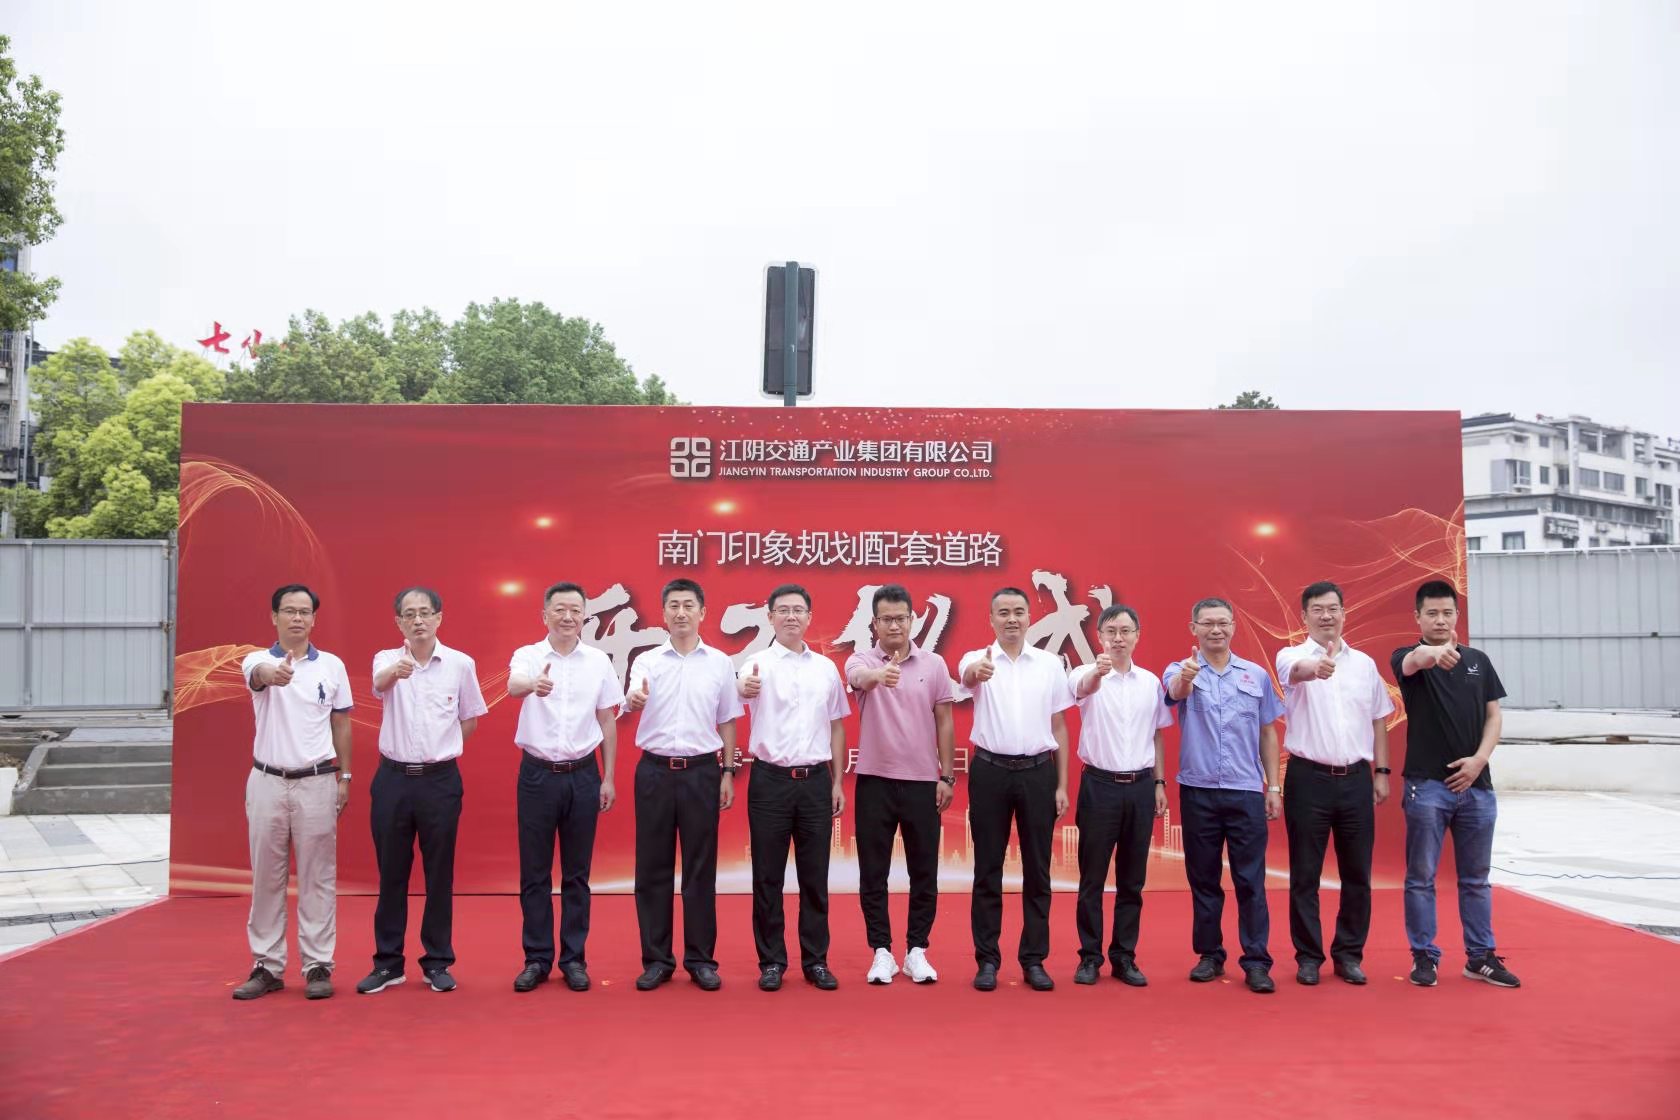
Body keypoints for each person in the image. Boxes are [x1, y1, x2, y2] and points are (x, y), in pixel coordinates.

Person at [357, 587, 488, 995]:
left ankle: (437, 961)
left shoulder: (460, 664)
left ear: (439, 618)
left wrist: (442, 748)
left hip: (440, 781)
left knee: (439, 873)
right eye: (409, 614)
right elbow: (378, 684)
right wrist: (395, 673)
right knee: (391, 873)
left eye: (425, 613)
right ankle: (387, 963)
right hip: (393, 779)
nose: (418, 620)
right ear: (398, 622)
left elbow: (470, 718)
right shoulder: (386, 659)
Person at [1392, 579, 1520, 989]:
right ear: (1418, 617)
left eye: (1447, 613)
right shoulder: (1407, 659)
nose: (1440, 620)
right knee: (1421, 876)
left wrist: (1479, 759)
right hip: (1427, 787)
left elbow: (1494, 716)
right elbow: (1415, 660)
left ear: (1457, 616)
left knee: (1476, 878)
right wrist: (1433, 653)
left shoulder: (1478, 661)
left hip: (1477, 787)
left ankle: (1480, 957)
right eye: (1432, 613)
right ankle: (1424, 956)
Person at [231, 584, 353, 1001]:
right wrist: (274, 675)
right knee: (267, 876)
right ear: (274, 617)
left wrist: (345, 776)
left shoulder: (332, 666)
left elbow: (341, 723)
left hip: (317, 781)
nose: (297, 618)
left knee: (318, 876)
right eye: (289, 611)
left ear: (314, 619)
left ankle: (318, 964)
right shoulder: (257, 660)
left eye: (304, 612)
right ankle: (267, 966)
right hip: (267, 780)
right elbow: (259, 677)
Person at [623, 577, 744, 992]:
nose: (680, 613)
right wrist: (634, 700)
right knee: (652, 869)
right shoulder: (647, 661)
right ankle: (657, 960)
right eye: (673, 605)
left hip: (701, 772)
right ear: (663, 613)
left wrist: (727, 771)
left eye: (688, 605)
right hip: (654, 772)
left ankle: (700, 959)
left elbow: (727, 721)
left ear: (702, 612)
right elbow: (632, 696)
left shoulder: (720, 663)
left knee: (700, 869)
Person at [506, 582, 624, 993]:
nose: (568, 617)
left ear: (585, 616)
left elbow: (607, 720)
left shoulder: (598, 661)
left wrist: (608, 777)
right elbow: (513, 686)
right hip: (537, 775)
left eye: (575, 609)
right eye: (559, 609)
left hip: (583, 774)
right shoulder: (528, 656)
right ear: (545, 615)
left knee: (577, 874)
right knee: (535, 873)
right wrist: (533, 685)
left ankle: (574, 959)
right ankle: (537, 959)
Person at [1275, 580, 1393, 987]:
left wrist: (1381, 772)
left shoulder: (1364, 665)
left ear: (1344, 613)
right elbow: (1297, 673)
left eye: (1333, 609)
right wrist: (1317, 668)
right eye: (1317, 610)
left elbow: (1379, 719)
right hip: (1308, 778)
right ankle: (1309, 956)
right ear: (1304, 616)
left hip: (1356, 779)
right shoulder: (1291, 655)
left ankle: (1349, 955)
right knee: (1305, 874)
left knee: (1357, 873)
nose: (1326, 616)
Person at [1164, 597, 1285, 994]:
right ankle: (1210, 955)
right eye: (1207, 623)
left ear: (1233, 626)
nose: (1215, 630)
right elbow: (1175, 693)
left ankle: (1256, 960)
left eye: (1222, 623)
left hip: (1245, 790)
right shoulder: (1181, 669)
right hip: (1198, 789)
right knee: (1204, 878)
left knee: (1251, 880)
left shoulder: (1255, 675)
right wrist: (1187, 676)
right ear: (1193, 628)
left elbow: (1268, 732)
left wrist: (1272, 786)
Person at [958, 587, 1074, 992]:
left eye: (1019, 612)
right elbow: (966, 678)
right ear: (991, 619)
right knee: (987, 868)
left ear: (1029, 618)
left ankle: (1034, 959)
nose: (1012, 619)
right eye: (1003, 612)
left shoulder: (1049, 664)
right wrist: (977, 673)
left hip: (1038, 772)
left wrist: (1062, 784)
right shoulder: (976, 659)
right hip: (990, 771)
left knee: (1038, 870)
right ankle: (987, 960)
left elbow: (1059, 726)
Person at [737, 584, 850, 991]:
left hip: (816, 781)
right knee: (767, 876)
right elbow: (739, 691)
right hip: (770, 781)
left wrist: (837, 781)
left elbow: (837, 726)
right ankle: (771, 961)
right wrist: (742, 688)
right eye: (782, 610)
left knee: (814, 876)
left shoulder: (825, 668)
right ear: (769, 617)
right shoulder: (756, 663)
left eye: (798, 610)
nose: (790, 616)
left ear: (809, 617)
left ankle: (816, 961)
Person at [845, 584, 955, 986]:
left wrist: (946, 775)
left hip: (923, 782)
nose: (894, 625)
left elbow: (945, 721)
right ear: (874, 623)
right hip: (875, 780)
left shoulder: (934, 664)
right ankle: (881, 951)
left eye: (901, 618)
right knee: (873, 872)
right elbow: (858, 678)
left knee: (924, 870)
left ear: (912, 620)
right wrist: (879, 675)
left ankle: (916, 951)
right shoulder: (861, 659)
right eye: (887, 619)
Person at [1068, 604, 1172, 987]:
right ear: (1099, 636)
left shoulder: (1150, 683)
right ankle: (1089, 957)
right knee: (1092, 879)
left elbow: (1157, 734)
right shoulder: (1085, 674)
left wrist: (1159, 783)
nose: (1118, 638)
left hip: (1141, 787)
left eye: (1125, 631)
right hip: (1099, 787)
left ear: (1137, 636)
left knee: (1132, 880)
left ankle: (1124, 957)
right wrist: (1098, 672)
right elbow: (1083, 687)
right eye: (1111, 631)